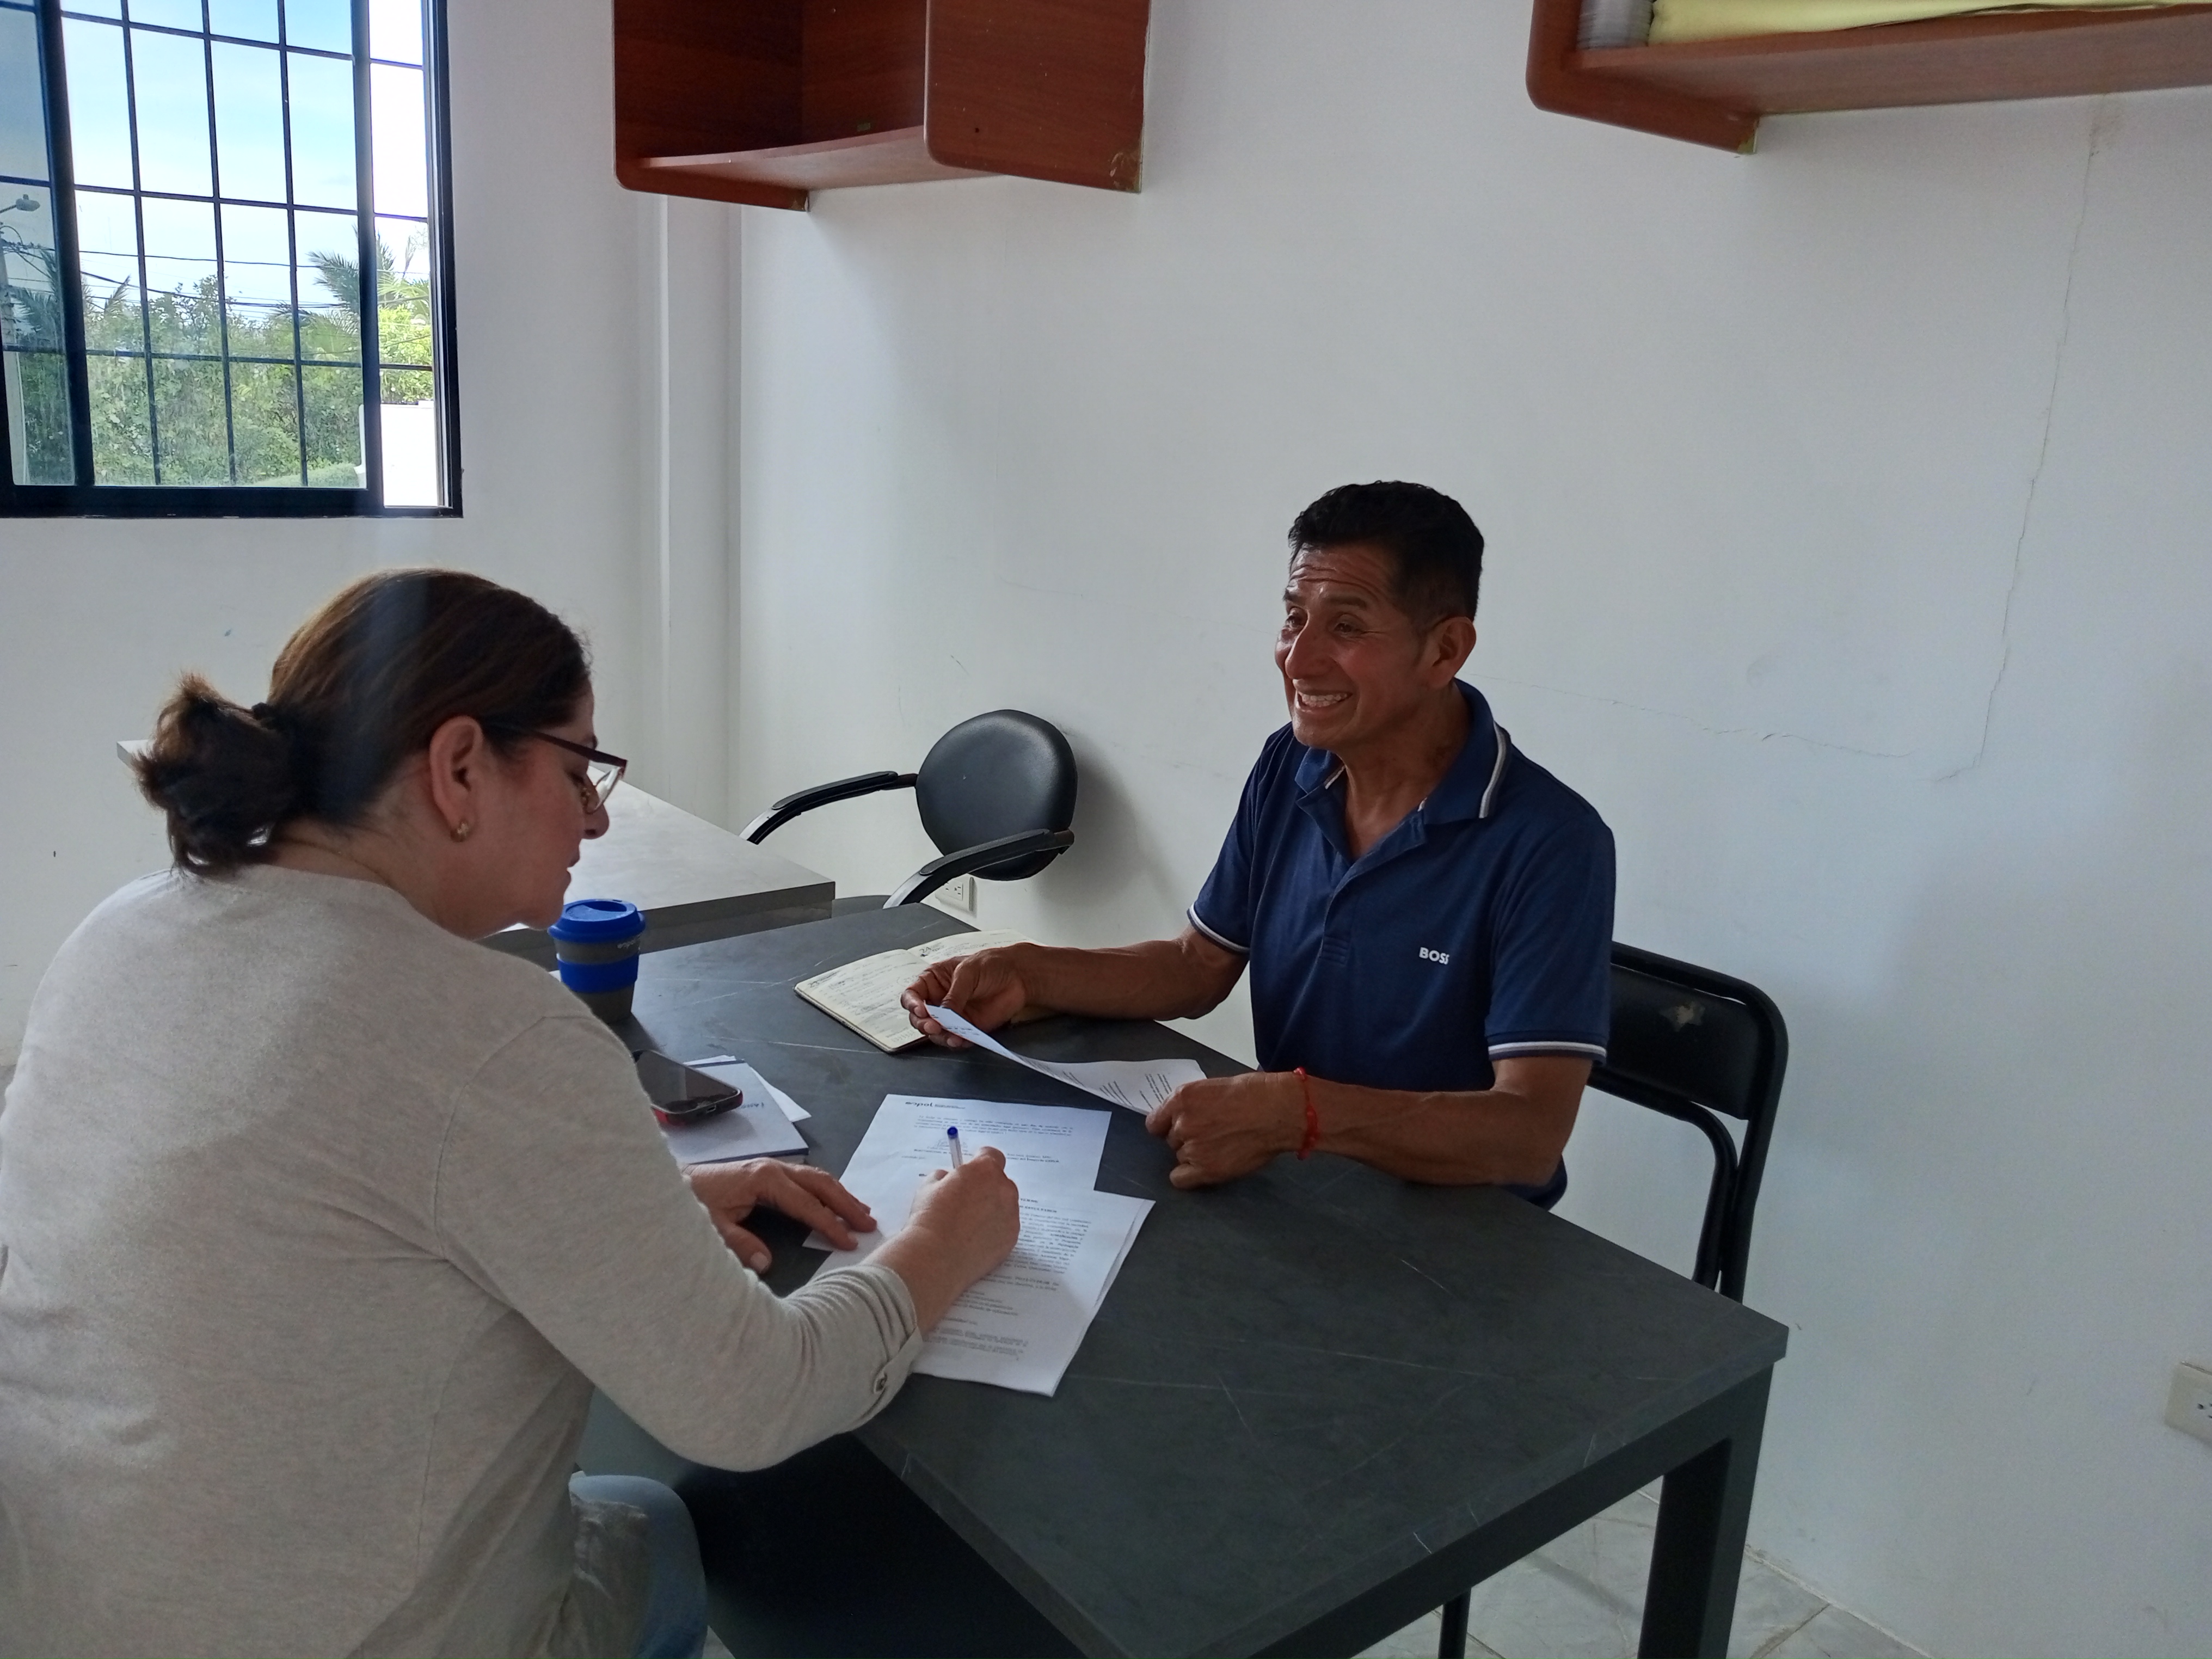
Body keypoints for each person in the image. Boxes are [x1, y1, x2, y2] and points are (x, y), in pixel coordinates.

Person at [0, 570, 1020, 1659]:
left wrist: (646, 1200)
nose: (595, 815)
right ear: (459, 767)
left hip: (62, 1601)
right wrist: (941, 1246)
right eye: (580, 771)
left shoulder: (124, 929)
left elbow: (301, 1205)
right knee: (662, 1523)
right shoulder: (491, 1033)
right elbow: (754, 1401)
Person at [904, 481, 1614, 1202]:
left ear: (1445, 650)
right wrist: (1028, 972)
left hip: (1463, 1229)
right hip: (1299, 1188)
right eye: (1294, 618)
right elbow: (1197, 965)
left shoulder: (1551, 842)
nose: (1298, 660)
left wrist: (1298, 1112)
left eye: (1346, 627)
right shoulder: (1292, 762)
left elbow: (1529, 1136)